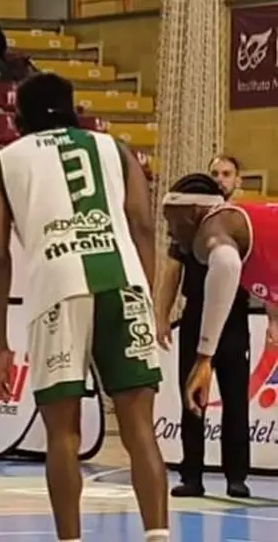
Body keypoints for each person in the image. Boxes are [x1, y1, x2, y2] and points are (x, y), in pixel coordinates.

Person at [0, 72, 168, 542]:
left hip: (57, 288)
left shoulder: (0, 164)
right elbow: (143, 226)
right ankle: (159, 536)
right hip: (124, 281)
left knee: (63, 434)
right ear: (72, 107)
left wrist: (1, 343)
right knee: (140, 428)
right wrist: (144, 293)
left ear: (18, 115)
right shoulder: (116, 149)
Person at [154, 155, 250, 499]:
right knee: (191, 399)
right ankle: (192, 475)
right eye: (215, 173)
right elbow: (171, 272)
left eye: (226, 174)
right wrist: (161, 314)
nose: (220, 178)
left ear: (237, 181)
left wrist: (272, 317)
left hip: (234, 320)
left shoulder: (240, 225)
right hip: (195, 316)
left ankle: (236, 477)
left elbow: (267, 270)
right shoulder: (188, 225)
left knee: (236, 400)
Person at [161, 176, 278, 415]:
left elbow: (226, 265)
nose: (170, 231)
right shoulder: (243, 226)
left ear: (193, 212)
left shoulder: (214, 226)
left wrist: (204, 357)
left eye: (171, 220)